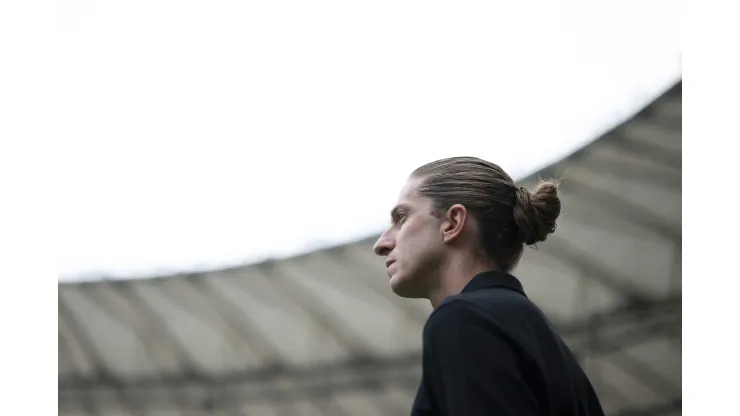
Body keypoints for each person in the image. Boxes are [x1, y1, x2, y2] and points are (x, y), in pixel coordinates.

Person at [373, 156, 605, 416]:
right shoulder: (533, 332)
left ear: (452, 223)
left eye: (402, 217)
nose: (381, 244)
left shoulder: (464, 319)